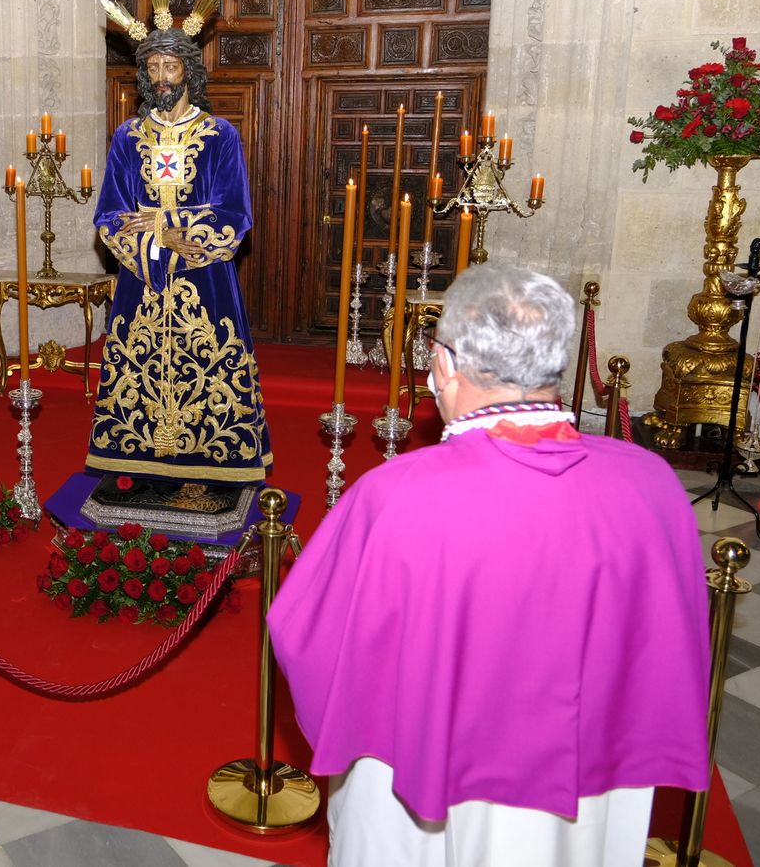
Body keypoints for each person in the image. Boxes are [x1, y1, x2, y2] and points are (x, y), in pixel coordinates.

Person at [268, 263, 712, 867]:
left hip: (422, 776)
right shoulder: (651, 484)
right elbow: (673, 637)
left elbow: (307, 635)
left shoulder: (397, 495)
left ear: (443, 366)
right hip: (590, 771)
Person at [88, 0, 271, 483]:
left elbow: (235, 213)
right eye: (153, 67)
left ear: (188, 71)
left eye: (170, 66)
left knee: (212, 368)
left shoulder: (220, 136)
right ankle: (139, 457)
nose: (162, 76)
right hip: (141, 284)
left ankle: (218, 456)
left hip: (205, 278)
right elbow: (109, 213)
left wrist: (168, 225)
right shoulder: (128, 137)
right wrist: (151, 239)